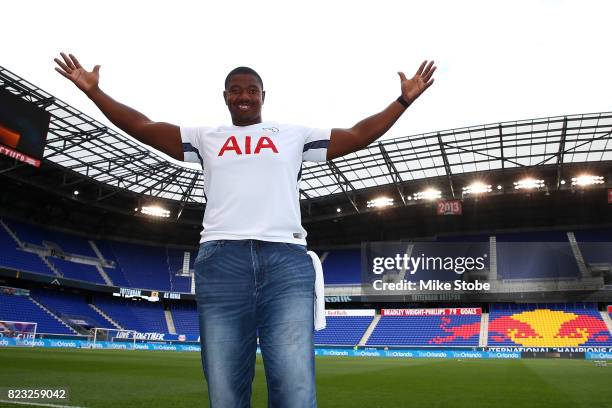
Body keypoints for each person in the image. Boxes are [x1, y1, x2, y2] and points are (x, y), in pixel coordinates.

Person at [54, 52, 436, 408]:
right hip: (222, 259)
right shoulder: (206, 138)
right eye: (236, 90)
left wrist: (402, 102)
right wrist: (95, 92)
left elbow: (356, 134)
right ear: (225, 96)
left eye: (251, 90)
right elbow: (145, 127)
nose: (244, 96)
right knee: (224, 385)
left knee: (295, 383)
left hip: (285, 259)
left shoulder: (292, 135)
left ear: (263, 95)